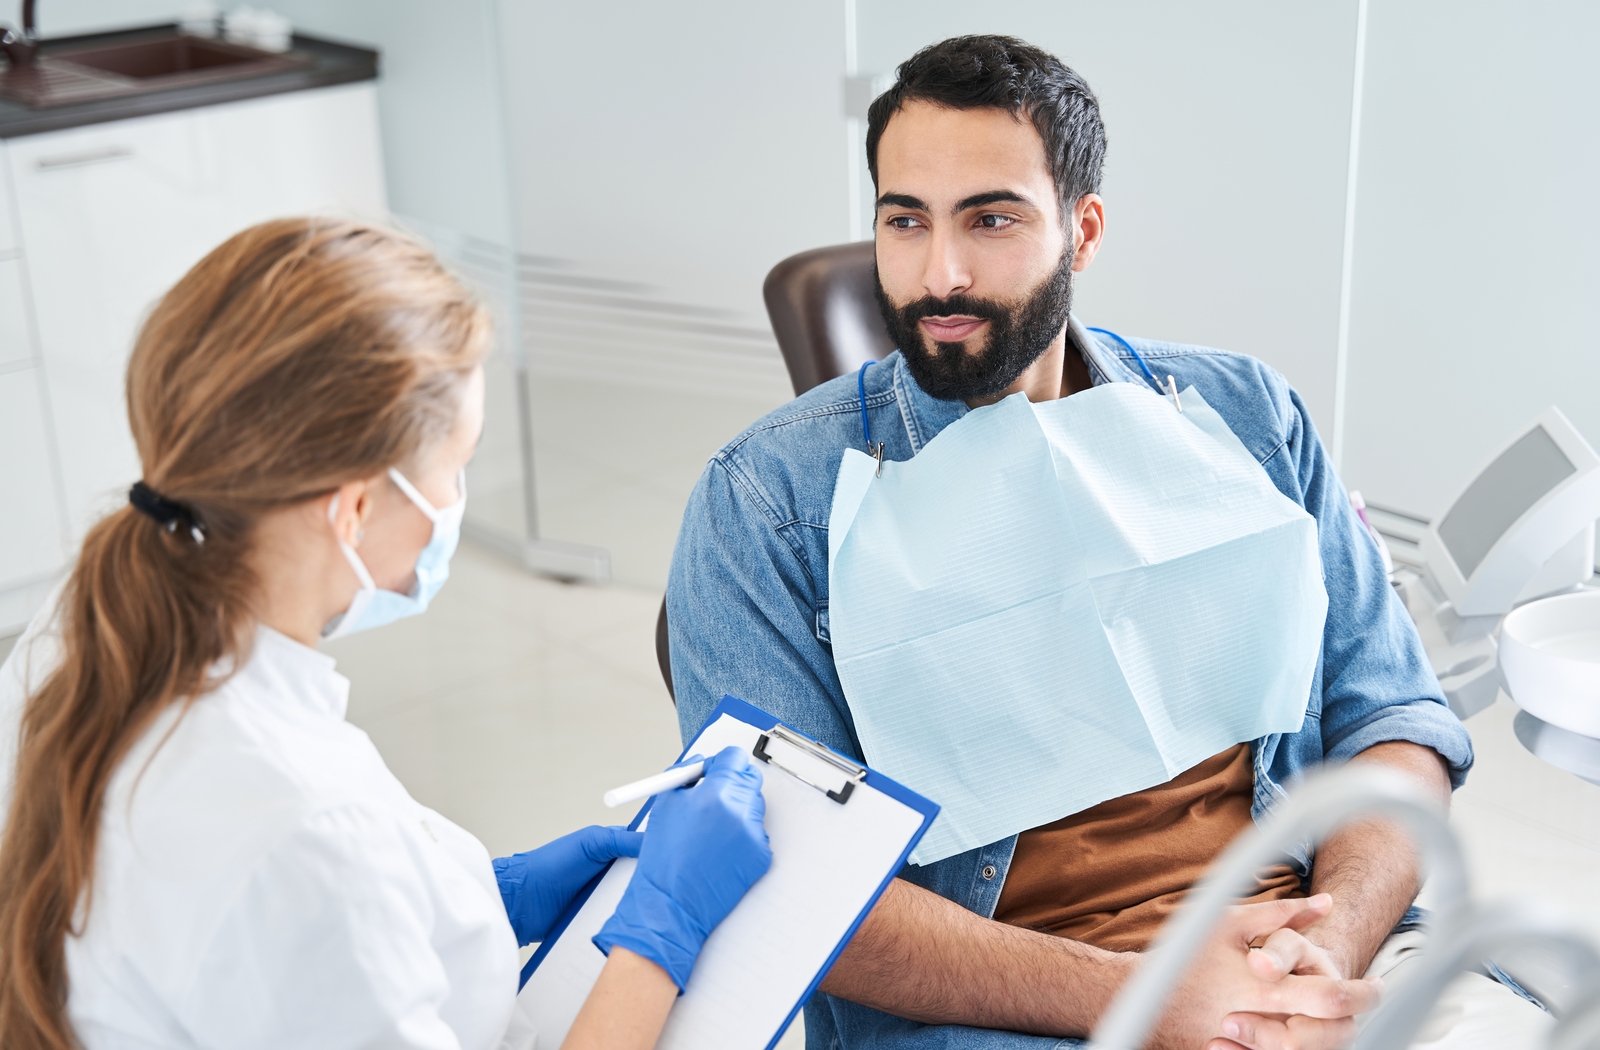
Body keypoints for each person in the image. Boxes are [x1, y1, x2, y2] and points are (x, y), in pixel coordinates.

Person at [666, 35, 1548, 1050]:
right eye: (904, 221)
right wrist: (1150, 995)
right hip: (1008, 1011)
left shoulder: (1246, 418)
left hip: (1311, 966)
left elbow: (1389, 722)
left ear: (1082, 232)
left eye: (990, 219)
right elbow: (796, 885)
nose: (938, 272)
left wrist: (1326, 950)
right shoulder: (765, 500)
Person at [0, 218, 772, 1050]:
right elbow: (304, 893)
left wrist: (479, 894)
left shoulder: (84, 623)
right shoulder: (305, 838)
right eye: (456, 465)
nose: (456, 498)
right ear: (355, 507)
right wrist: (661, 936)